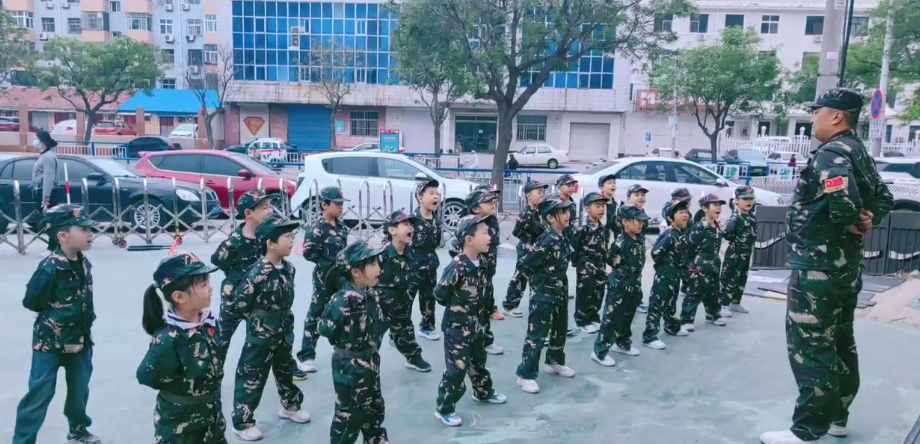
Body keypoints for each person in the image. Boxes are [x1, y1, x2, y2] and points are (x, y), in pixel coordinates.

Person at [760, 88, 893, 444]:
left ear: (836, 116)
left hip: (818, 269)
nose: (813, 117)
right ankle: (838, 416)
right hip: (845, 268)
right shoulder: (857, 150)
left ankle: (807, 429)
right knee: (841, 341)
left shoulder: (832, 154)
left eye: (817, 111)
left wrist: (853, 219)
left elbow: (842, 201)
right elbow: (884, 197)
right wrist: (868, 217)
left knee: (812, 345)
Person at [13, 204, 102, 444]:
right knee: (39, 394)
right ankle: (23, 440)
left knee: (79, 391)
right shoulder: (49, 267)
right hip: (50, 343)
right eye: (83, 229)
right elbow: (32, 301)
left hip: (81, 340)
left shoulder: (84, 263)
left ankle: (78, 430)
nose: (90, 233)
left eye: (90, 228)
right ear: (63, 236)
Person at [230, 215, 310, 441]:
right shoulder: (258, 272)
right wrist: (260, 321)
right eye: (287, 236)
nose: (292, 240)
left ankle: (291, 406)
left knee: (285, 370)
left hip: (284, 330)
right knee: (252, 375)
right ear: (270, 243)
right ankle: (242, 422)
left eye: (292, 236)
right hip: (261, 334)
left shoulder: (289, 268)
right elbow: (241, 302)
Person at [137, 252, 226, 443]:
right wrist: (179, 387)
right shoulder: (168, 339)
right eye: (203, 284)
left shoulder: (208, 323)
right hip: (180, 427)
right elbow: (146, 376)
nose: (210, 288)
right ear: (179, 296)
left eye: (208, 282)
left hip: (212, 419)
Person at [434, 215, 508, 427]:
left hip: (477, 326)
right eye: (484, 233)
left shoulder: (482, 262)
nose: (490, 236)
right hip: (457, 329)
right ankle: (444, 408)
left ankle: (483, 392)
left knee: (478, 361)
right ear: (469, 240)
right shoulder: (457, 266)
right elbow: (440, 294)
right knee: (457, 369)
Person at [319, 241, 390, 443]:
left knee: (374, 407)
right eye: (372, 264)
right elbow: (326, 329)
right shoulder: (342, 300)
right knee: (349, 414)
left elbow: (379, 326)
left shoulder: (371, 293)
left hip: (370, 360)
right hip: (349, 366)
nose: (379, 269)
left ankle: (376, 439)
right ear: (356, 272)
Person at [515, 197, 576, 394]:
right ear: (550, 217)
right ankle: (525, 375)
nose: (567, 215)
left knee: (560, 328)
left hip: (559, 290)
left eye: (567, 211)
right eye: (562, 212)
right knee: (538, 334)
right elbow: (524, 265)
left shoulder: (562, 236)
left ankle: (554, 361)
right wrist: (538, 284)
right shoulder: (546, 240)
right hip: (543, 293)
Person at [297, 186, 349, 374]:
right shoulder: (317, 229)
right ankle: (307, 356)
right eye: (336, 203)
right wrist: (327, 263)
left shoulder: (341, 227)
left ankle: (344, 350)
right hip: (324, 277)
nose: (340, 207)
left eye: (341, 203)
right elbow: (309, 254)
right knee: (316, 314)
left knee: (345, 311)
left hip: (341, 277)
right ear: (324, 205)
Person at [591, 204, 648, 365]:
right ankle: (600, 351)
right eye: (637, 221)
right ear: (625, 222)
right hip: (620, 285)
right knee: (612, 318)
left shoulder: (639, 238)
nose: (641, 224)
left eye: (642, 221)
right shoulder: (620, 242)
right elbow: (611, 260)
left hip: (634, 284)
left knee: (628, 316)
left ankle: (622, 343)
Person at [377, 210, 433, 372]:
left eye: (411, 225)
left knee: (406, 333)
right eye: (406, 224)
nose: (411, 228)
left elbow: (415, 277)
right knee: (371, 337)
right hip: (379, 306)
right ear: (392, 230)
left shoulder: (412, 253)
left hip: (401, 304)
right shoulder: (381, 254)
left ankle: (413, 358)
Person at [641, 201, 691, 351]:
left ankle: (671, 326)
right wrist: (665, 265)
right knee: (657, 304)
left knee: (670, 303)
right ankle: (650, 336)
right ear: (670, 218)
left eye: (686, 212)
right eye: (681, 212)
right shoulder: (669, 235)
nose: (685, 215)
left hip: (676, 275)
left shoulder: (681, 234)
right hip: (665, 275)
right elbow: (655, 253)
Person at [502, 180, 548, 318]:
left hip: (536, 249)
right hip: (526, 249)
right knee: (520, 277)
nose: (542, 195)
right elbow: (517, 232)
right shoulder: (526, 213)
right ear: (529, 196)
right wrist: (527, 242)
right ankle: (509, 305)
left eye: (543, 192)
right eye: (538, 192)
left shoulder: (539, 211)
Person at [679, 193, 726, 331]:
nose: (718, 208)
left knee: (713, 291)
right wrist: (691, 266)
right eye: (715, 205)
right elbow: (690, 248)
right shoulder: (699, 226)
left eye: (719, 205)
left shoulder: (717, 226)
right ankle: (687, 319)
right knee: (695, 291)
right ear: (705, 208)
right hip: (700, 264)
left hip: (714, 263)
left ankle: (713, 315)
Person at [571, 192, 612, 334]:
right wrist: (578, 264)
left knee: (598, 293)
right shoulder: (582, 229)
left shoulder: (603, 229)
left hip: (600, 266)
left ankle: (594, 318)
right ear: (587, 209)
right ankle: (582, 321)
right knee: (585, 293)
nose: (601, 209)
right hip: (586, 268)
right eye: (597, 206)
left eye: (603, 206)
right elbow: (575, 249)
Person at [410, 179, 443, 341]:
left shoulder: (437, 219)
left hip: (430, 264)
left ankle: (426, 327)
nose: (436, 196)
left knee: (429, 297)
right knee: (406, 299)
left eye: (437, 193)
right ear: (420, 198)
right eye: (431, 193)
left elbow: (436, 243)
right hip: (412, 265)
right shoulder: (411, 220)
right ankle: (398, 333)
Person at [719, 187, 758, 317]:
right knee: (729, 278)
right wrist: (736, 241)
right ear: (736, 201)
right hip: (735, 254)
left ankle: (735, 302)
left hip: (746, 254)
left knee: (741, 278)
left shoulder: (751, 217)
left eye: (751, 198)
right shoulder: (735, 218)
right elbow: (726, 233)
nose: (749, 201)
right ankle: (723, 305)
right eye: (745, 199)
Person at [619, 184, 650, 313]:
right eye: (636, 195)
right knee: (627, 276)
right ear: (628, 198)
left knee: (637, 276)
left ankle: (637, 301)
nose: (640, 197)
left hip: (638, 247)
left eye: (643, 195)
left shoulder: (641, 211)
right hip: (628, 248)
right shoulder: (625, 211)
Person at [31, 130, 60, 213]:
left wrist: (45, 201)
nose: (34, 141)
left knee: (47, 219)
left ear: (43, 141)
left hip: (47, 196)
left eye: (36, 139)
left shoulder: (48, 157)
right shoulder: (43, 155)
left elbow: (48, 179)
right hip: (40, 193)